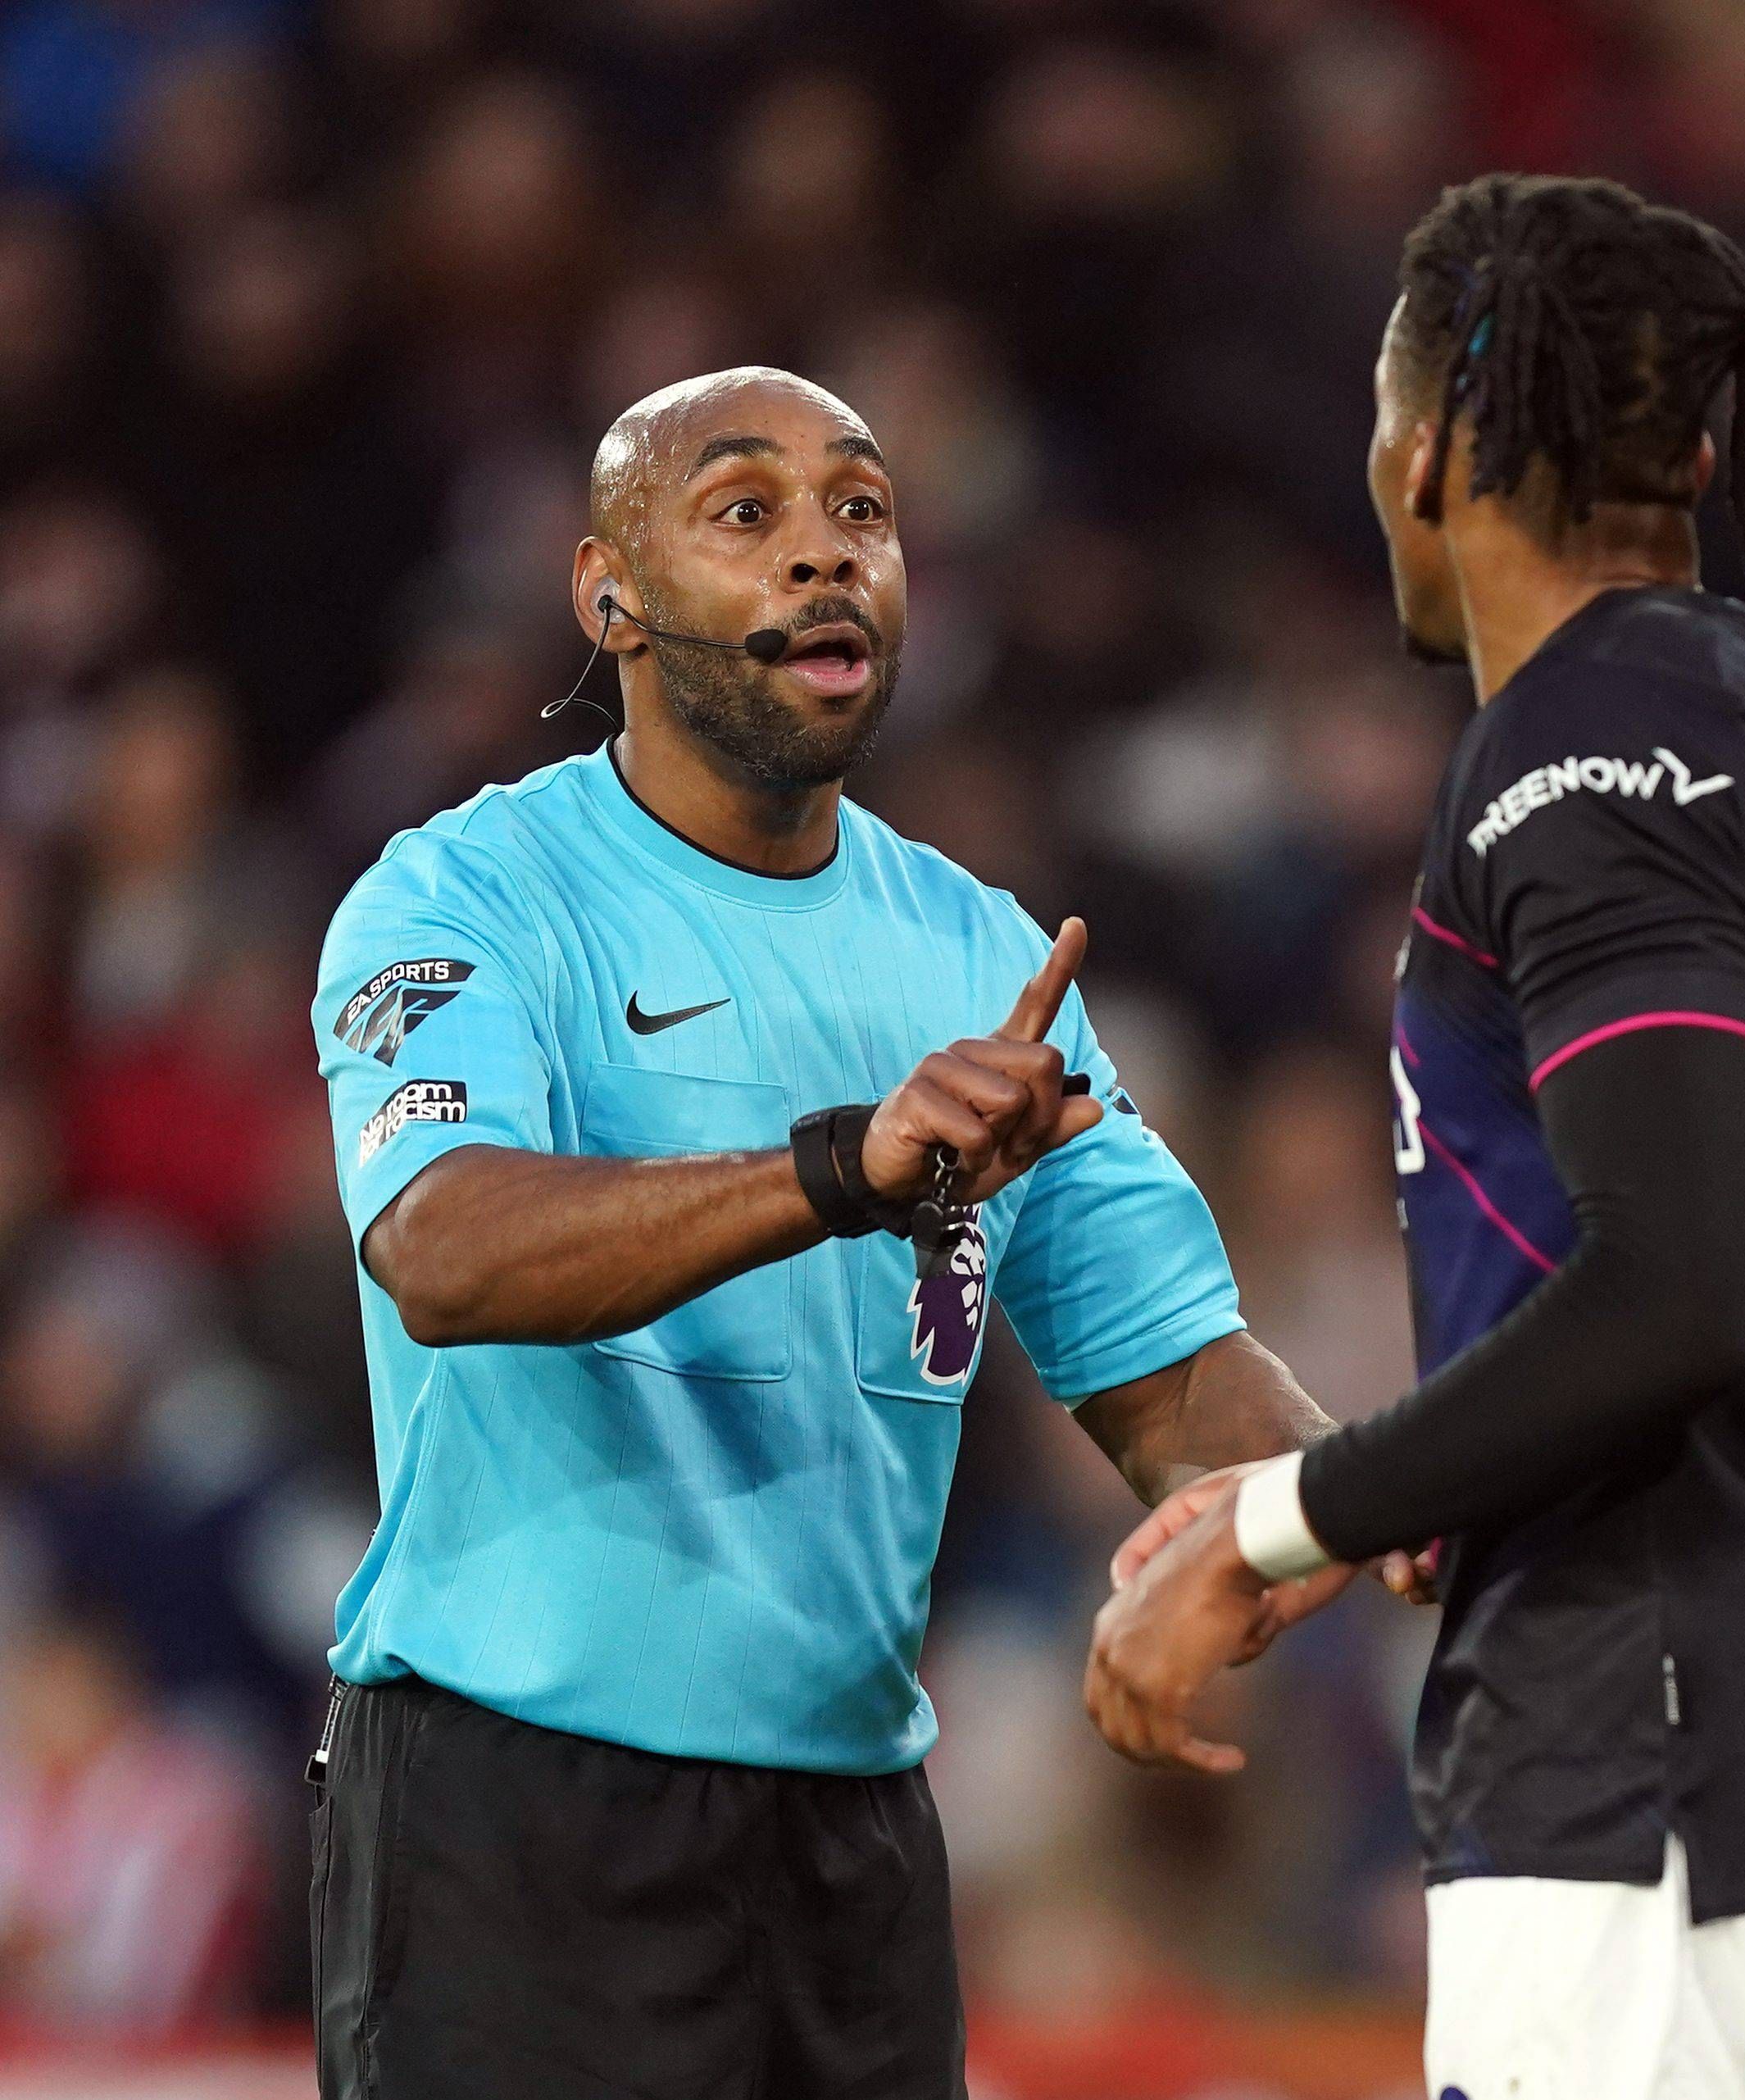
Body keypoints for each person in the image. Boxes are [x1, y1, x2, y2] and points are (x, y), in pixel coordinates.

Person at [308, 366, 1342, 2100]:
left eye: (862, 511)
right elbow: (446, 1249)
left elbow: (1178, 1396)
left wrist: (1396, 1508)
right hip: (514, 1819)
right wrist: (843, 1169)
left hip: (852, 1836)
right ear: (607, 594)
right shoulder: (461, 897)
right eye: (746, 512)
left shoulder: (981, 958)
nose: (824, 556)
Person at [1086, 174, 1745, 2099]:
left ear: (1433, 452)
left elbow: (1676, 1287)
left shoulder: (1576, 746)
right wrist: (1459, 1473)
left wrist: (1270, 1521)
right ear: (1707, 443)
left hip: (1652, 1763)